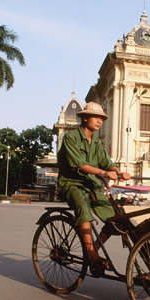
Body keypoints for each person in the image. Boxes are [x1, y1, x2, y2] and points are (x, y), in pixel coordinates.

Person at [57, 102, 131, 278]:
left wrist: (119, 172)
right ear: (85, 118)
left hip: (91, 185)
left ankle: (92, 250)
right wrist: (105, 172)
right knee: (83, 205)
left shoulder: (96, 141)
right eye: (96, 117)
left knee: (117, 219)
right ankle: (92, 255)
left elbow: (106, 162)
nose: (99, 121)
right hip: (71, 184)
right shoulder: (71, 138)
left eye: (101, 118)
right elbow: (80, 165)